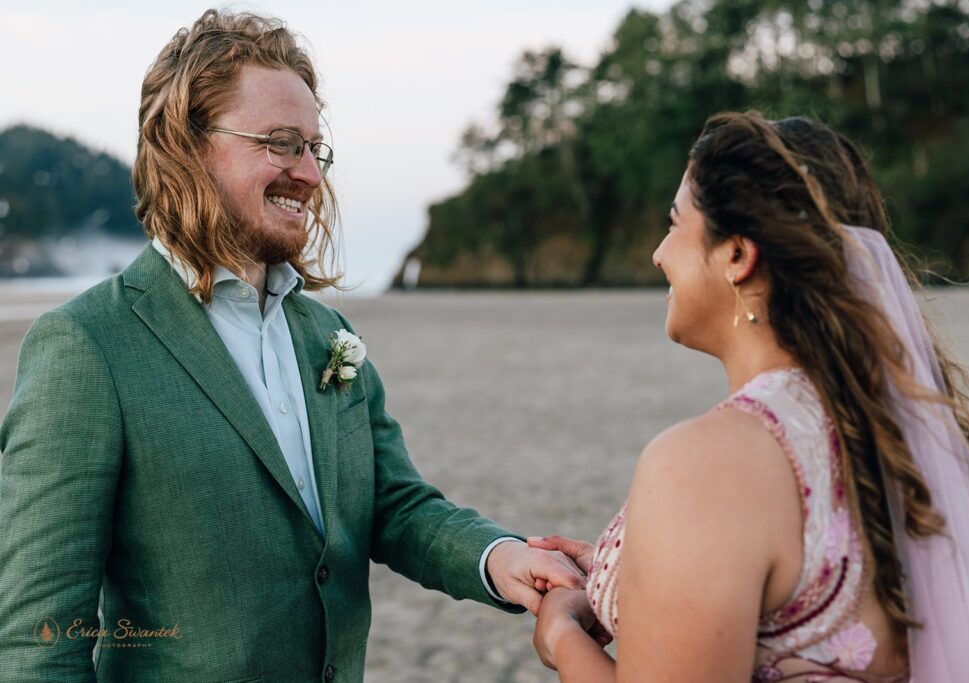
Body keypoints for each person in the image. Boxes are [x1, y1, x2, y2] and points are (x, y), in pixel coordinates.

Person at [0, 10, 585, 682]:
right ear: (186, 147)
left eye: (314, 147)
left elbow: (394, 504)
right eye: (281, 144)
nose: (309, 174)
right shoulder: (85, 346)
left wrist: (501, 557)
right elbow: (39, 644)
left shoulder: (328, 336)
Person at [529, 111, 969, 681]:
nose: (658, 253)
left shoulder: (707, 466)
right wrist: (622, 573)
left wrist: (562, 633)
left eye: (674, 223)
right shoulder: (888, 432)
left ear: (738, 255)